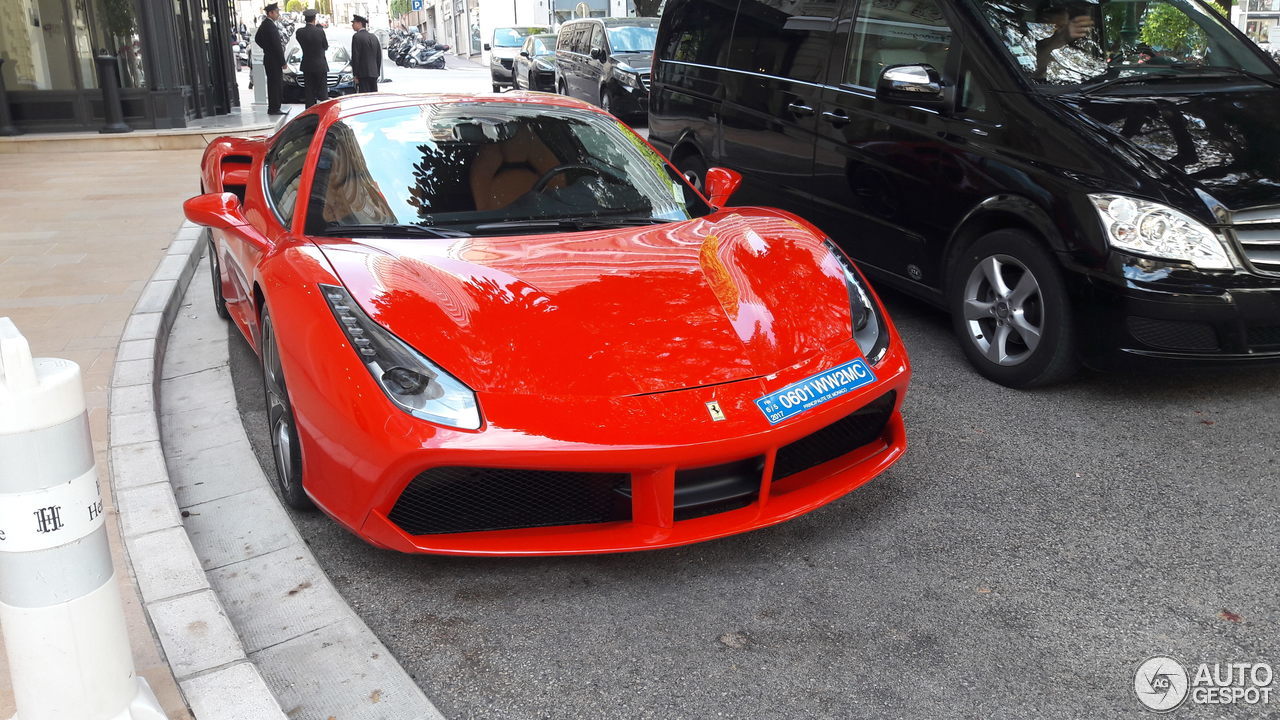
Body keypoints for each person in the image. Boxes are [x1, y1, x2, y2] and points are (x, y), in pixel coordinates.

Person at [1033, 1, 1095, 80]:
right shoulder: (1028, 46)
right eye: (1057, 27)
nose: (1061, 32)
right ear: (1041, 26)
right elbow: (1038, 70)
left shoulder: (1072, 52)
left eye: (1064, 27)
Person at [255, 3, 287, 114]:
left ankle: (274, 107)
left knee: (273, 83)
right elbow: (277, 46)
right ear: (270, 13)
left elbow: (258, 38)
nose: (278, 14)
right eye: (276, 12)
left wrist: (266, 47)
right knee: (275, 84)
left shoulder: (265, 24)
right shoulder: (270, 25)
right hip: (274, 60)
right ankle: (274, 108)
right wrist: (283, 62)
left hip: (269, 58)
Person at [296, 9, 328, 107]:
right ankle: (323, 110)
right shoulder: (320, 31)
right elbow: (325, 46)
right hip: (320, 65)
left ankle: (309, 112)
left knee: (309, 92)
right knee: (322, 91)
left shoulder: (300, 32)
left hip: (307, 65)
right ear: (314, 19)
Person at [350, 15, 382, 93]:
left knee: (364, 97)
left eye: (354, 23)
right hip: (374, 73)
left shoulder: (356, 37)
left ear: (359, 23)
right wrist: (377, 71)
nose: (352, 25)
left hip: (363, 74)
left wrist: (355, 74)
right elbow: (379, 56)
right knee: (373, 96)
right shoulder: (374, 37)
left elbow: (355, 57)